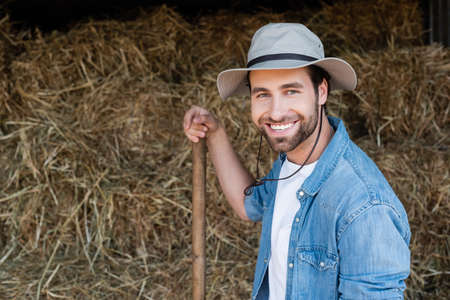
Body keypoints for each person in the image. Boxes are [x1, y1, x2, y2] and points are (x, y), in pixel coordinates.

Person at [183, 23, 410, 299]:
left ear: (321, 92)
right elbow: (248, 205)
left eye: (291, 91)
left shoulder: (364, 206)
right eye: (263, 94)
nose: (276, 112)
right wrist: (215, 133)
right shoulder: (290, 164)